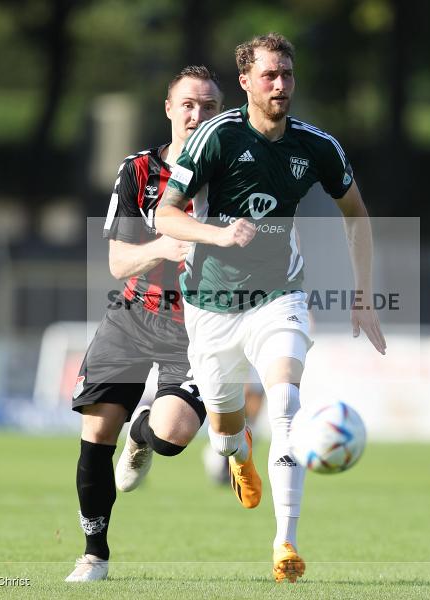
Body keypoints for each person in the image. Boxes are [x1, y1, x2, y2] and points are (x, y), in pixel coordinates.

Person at [155, 33, 386, 583]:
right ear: (245, 82)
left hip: (279, 295)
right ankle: (237, 455)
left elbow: (356, 214)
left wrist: (363, 292)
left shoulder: (316, 146)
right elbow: (166, 215)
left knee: (285, 407)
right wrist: (216, 234)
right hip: (210, 305)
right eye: (268, 75)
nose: (280, 84)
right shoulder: (215, 136)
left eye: (286, 74)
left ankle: (285, 544)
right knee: (225, 428)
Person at [65, 66, 223, 583]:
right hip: (134, 315)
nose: (196, 115)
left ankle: (144, 432)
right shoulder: (137, 171)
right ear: (169, 108)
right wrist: (162, 244)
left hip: (197, 327)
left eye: (207, 107)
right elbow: (117, 263)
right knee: (95, 434)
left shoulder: (232, 176)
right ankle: (94, 555)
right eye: (188, 105)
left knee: (173, 435)